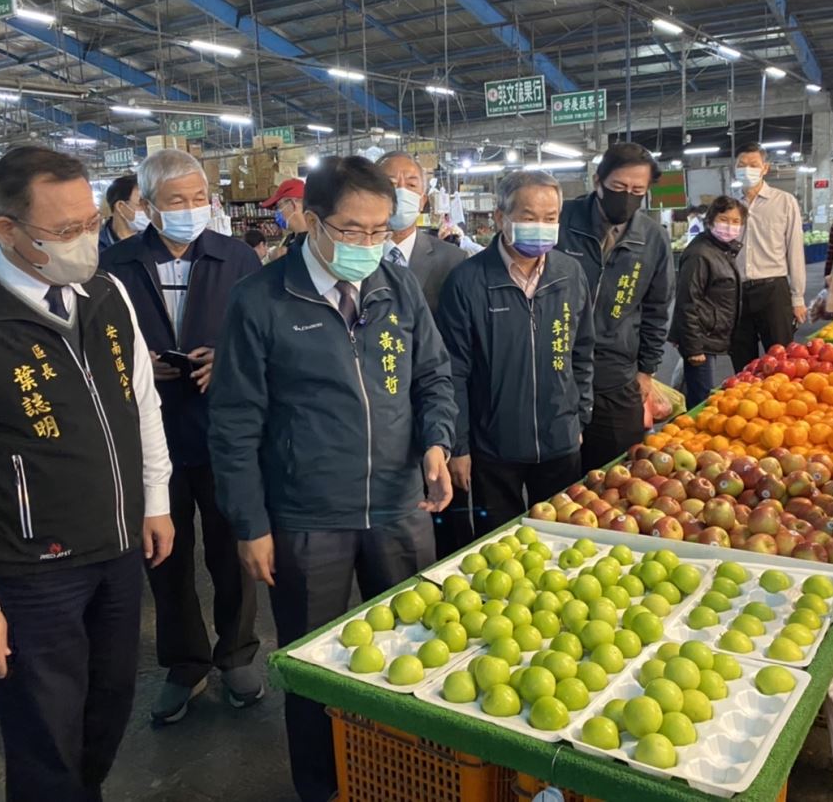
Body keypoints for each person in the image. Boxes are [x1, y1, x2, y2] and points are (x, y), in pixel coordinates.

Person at [0, 146, 175, 802]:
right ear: (6, 230)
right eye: (65, 230)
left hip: (117, 549)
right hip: (32, 570)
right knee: (45, 734)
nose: (85, 240)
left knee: (109, 705)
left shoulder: (107, 294)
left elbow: (142, 402)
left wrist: (156, 498)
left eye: (91, 222)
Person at [208, 155, 456, 802]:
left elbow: (434, 375)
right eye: (352, 230)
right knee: (315, 667)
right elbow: (234, 422)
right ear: (312, 221)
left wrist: (436, 441)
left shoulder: (396, 286)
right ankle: (323, 787)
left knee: (413, 651)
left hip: (399, 506)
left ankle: (405, 778)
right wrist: (250, 523)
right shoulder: (262, 300)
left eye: (379, 230)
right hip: (307, 517)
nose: (368, 243)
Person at [101, 149, 263, 724]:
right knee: (164, 557)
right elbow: (94, 344)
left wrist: (227, 359)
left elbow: (262, 335)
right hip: (151, 439)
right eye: (177, 201)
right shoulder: (114, 266)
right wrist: (135, 364)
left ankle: (237, 652)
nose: (191, 209)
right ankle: (185, 662)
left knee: (232, 549)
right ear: (146, 206)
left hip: (224, 434)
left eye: (199, 198)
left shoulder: (237, 258)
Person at [437, 170, 595, 533]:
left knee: (563, 537)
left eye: (550, 218)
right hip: (494, 446)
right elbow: (454, 371)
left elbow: (583, 350)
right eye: (528, 217)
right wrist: (459, 446)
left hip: (560, 439)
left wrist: (580, 417)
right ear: (500, 217)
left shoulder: (570, 273)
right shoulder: (468, 281)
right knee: (499, 542)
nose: (541, 226)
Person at [558, 142, 675, 472]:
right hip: (558, 367)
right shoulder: (562, 222)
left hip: (616, 372)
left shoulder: (653, 238)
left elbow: (657, 309)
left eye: (637, 191)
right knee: (559, 476)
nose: (627, 196)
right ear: (598, 181)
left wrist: (646, 370)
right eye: (619, 187)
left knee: (617, 472)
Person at [729, 142, 807, 372]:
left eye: (753, 165)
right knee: (742, 362)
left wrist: (798, 297)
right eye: (741, 165)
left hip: (773, 290)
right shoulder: (729, 205)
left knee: (781, 361)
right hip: (737, 293)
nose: (747, 170)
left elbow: (794, 249)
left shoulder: (784, 202)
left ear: (765, 168)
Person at [669, 196, 746, 408]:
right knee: (701, 399)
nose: (729, 226)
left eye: (736, 221)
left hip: (708, 335)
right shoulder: (700, 254)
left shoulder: (722, 250)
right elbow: (687, 302)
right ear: (711, 220)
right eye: (724, 219)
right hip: (701, 338)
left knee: (699, 393)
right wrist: (694, 347)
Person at [376, 151, 467, 313]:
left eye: (411, 185)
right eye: (391, 184)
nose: (401, 192)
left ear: (422, 201)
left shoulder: (453, 259)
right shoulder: (355, 258)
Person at [98, 173, 149, 251]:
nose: (149, 209)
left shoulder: (155, 242)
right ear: (120, 206)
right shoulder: (97, 248)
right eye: (142, 203)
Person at [262, 178, 306, 262]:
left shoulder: (320, 239)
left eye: (278, 207)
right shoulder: (287, 239)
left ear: (293, 204)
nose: (276, 213)